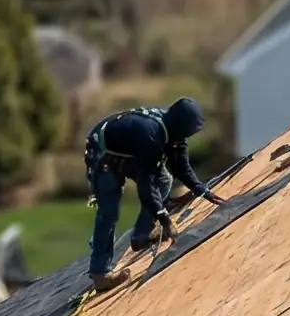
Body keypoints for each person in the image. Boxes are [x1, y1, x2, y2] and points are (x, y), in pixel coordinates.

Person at [86, 97, 224, 288]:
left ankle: (141, 234)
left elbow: (181, 168)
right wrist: (164, 218)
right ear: (180, 126)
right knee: (108, 212)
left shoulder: (174, 133)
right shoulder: (150, 135)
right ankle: (100, 273)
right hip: (103, 154)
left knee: (165, 179)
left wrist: (203, 191)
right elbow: (146, 184)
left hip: (126, 151)